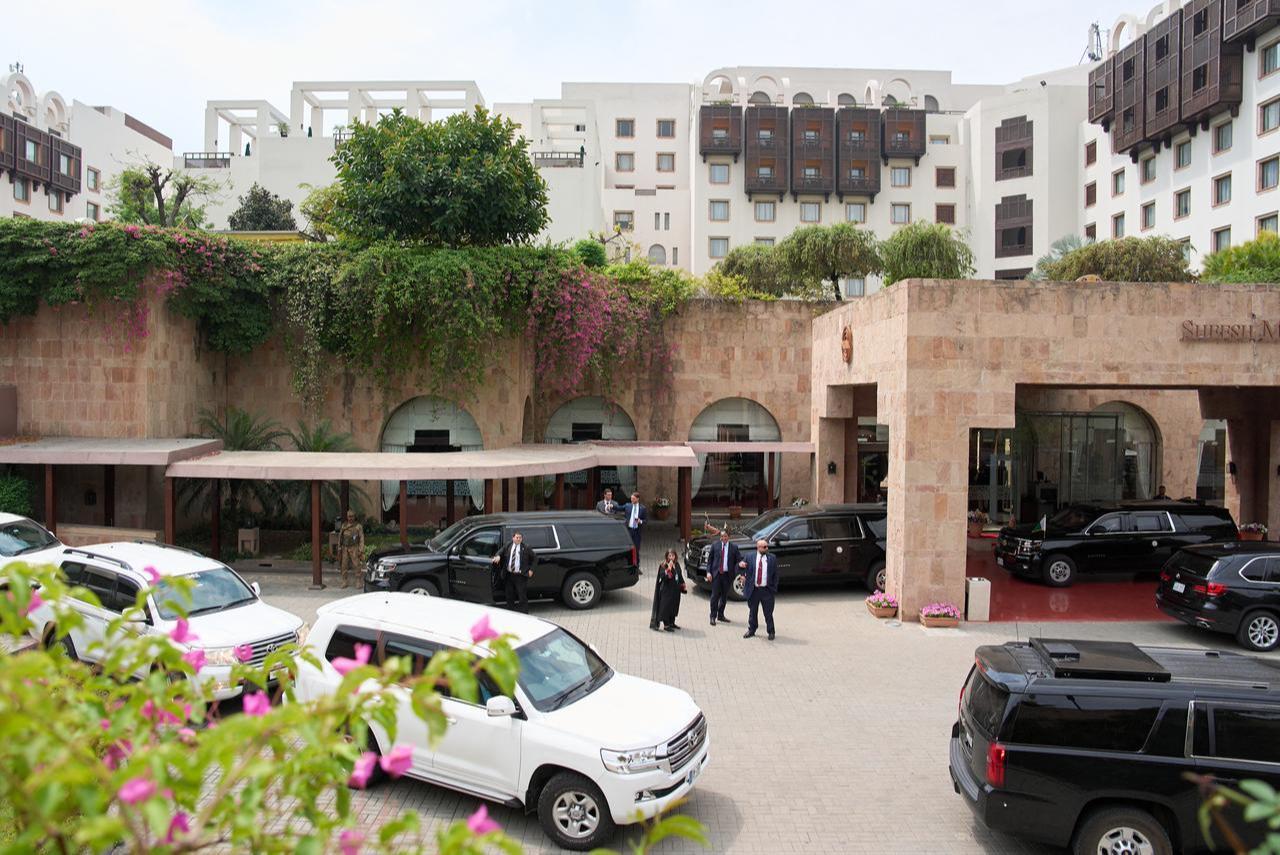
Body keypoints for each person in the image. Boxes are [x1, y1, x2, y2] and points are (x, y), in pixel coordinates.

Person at [738, 538, 779, 640]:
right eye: (764, 547)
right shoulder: (749, 556)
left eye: (767, 546)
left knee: (768, 613)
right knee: (753, 611)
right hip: (754, 590)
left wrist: (773, 588)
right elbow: (741, 567)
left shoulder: (772, 558)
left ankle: (771, 631)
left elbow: (776, 574)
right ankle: (752, 630)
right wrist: (742, 573)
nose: (767, 548)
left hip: (766, 590)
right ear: (758, 547)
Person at [491, 531, 535, 614]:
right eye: (517, 537)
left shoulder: (526, 547)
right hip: (509, 575)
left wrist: (531, 570)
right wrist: (498, 556)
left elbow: (535, 559)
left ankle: (524, 613)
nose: (518, 539)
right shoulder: (508, 545)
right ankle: (510, 613)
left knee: (522, 596)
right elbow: (501, 551)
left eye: (520, 538)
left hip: (520, 576)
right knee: (509, 596)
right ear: (513, 538)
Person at [704, 529, 742, 626]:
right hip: (717, 574)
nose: (723, 538)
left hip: (727, 575)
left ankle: (720, 615)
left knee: (724, 596)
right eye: (721, 536)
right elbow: (710, 560)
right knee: (715, 596)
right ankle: (713, 616)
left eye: (725, 536)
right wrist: (708, 572)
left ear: (728, 537)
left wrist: (738, 570)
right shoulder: (715, 545)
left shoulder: (734, 548)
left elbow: (739, 560)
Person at [650, 549, 685, 632]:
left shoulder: (677, 564)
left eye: (673, 555)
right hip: (667, 591)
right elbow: (664, 577)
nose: (671, 557)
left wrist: (683, 584)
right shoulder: (663, 565)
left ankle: (672, 623)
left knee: (674, 606)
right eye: (670, 556)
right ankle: (666, 625)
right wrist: (669, 568)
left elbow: (679, 575)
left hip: (675, 591)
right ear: (667, 556)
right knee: (666, 607)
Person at [336, 510, 364, 589]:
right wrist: (339, 546)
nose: (350, 518)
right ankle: (344, 581)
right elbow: (340, 536)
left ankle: (358, 581)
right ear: (347, 517)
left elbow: (361, 538)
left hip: (354, 547)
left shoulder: (358, 526)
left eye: (352, 516)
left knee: (357, 564)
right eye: (349, 516)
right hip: (345, 548)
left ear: (354, 517)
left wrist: (361, 549)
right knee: (344, 565)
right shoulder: (344, 525)